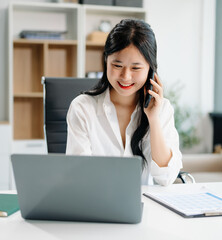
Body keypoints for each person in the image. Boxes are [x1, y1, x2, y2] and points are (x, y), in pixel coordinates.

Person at [66, 19, 182, 186]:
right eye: (117, 65)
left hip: (146, 206)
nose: (126, 77)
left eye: (136, 68)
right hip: (95, 205)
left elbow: (166, 178)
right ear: (106, 61)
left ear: (151, 69)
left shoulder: (162, 109)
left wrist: (153, 119)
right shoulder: (82, 108)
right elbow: (78, 176)